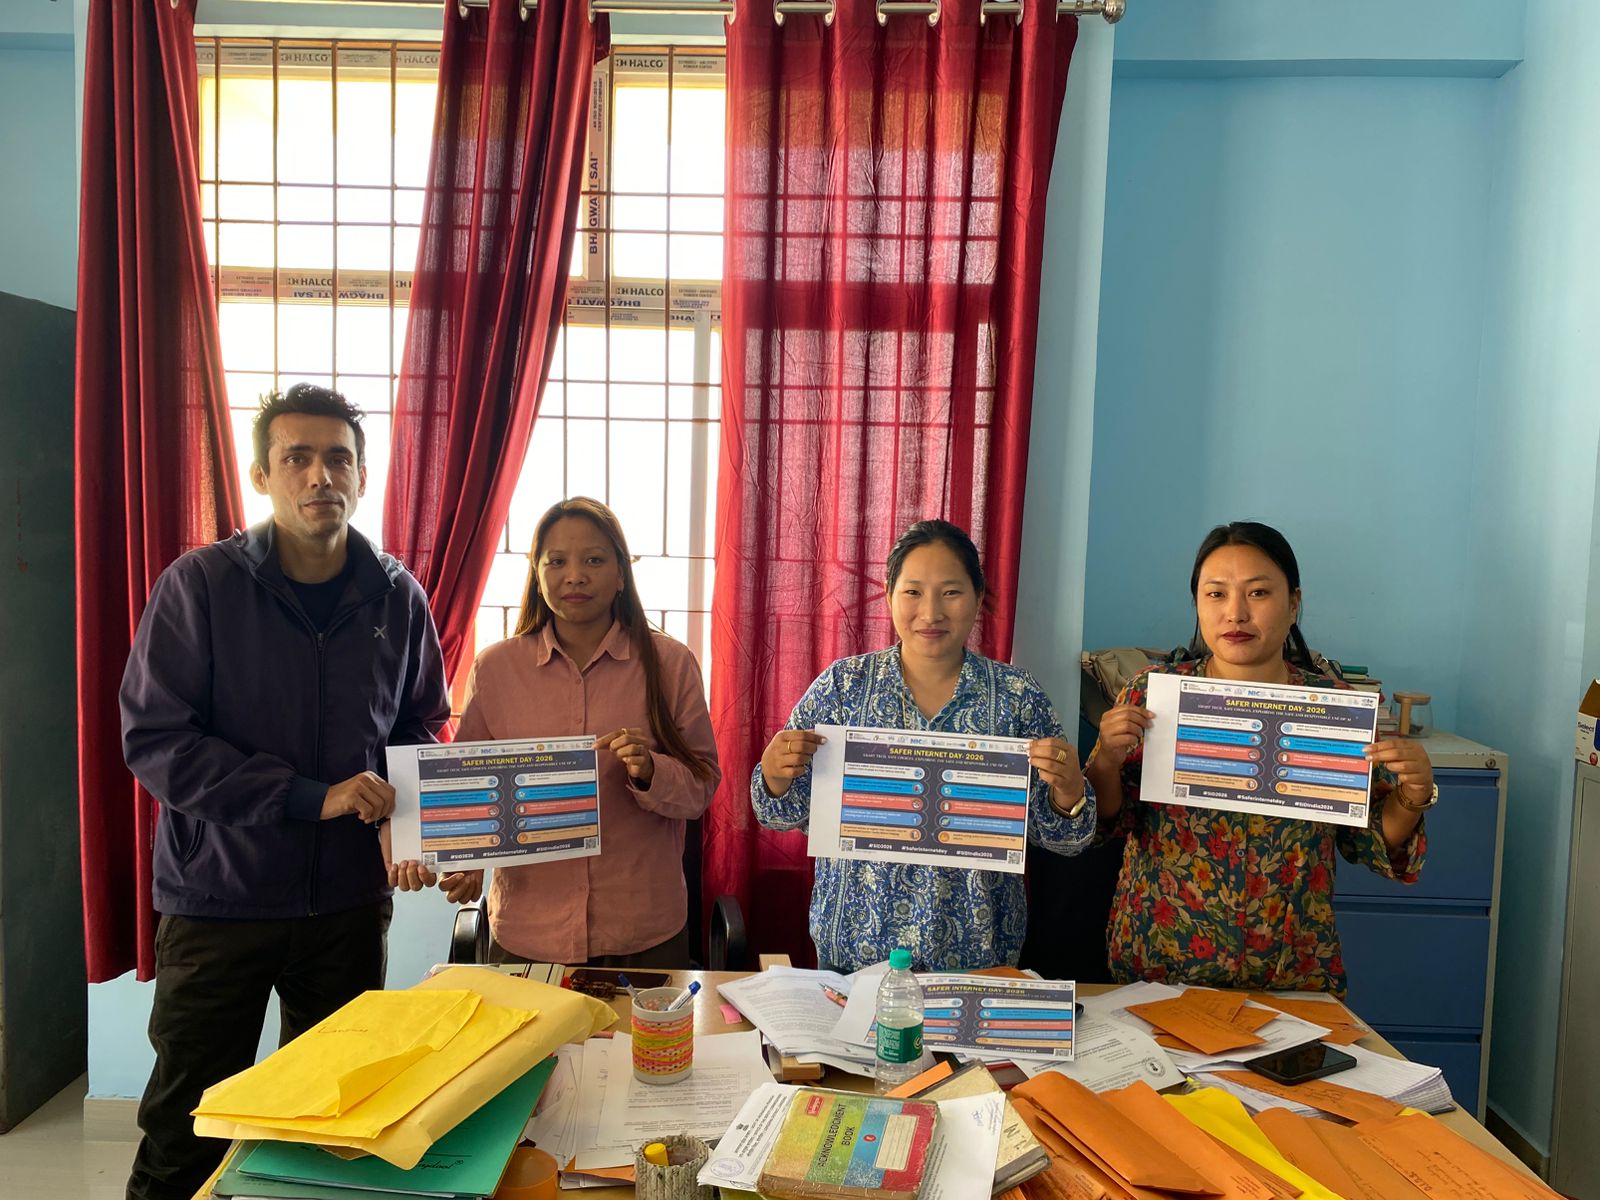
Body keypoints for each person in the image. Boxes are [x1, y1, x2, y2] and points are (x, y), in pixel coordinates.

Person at [119, 384, 450, 1200]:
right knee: (188, 1129)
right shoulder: (200, 586)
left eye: (337, 458)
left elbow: (417, 724)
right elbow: (156, 741)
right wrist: (310, 796)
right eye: (296, 458)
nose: (319, 476)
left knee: (330, 1126)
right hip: (217, 900)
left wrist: (406, 820)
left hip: (345, 906)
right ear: (262, 476)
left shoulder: (398, 595)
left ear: (362, 476)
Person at [1086, 521, 1433, 995]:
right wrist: (1106, 759)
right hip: (1162, 961)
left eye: (1258, 593)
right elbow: (1108, 821)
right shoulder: (1153, 693)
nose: (1236, 613)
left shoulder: (1334, 708)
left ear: (1293, 604)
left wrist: (1413, 794)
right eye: (1216, 594)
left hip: (1292, 967)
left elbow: (1368, 838)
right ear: (1197, 604)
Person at [751, 519, 1094, 973]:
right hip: (855, 956)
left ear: (978, 597)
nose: (930, 612)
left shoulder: (1018, 697)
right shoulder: (843, 687)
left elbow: (1067, 840)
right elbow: (780, 815)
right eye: (913, 592)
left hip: (978, 958)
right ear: (889, 594)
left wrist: (1069, 792)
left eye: (951, 592)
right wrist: (774, 775)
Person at [404, 497, 720, 968]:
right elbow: (467, 789)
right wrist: (466, 862)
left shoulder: (671, 664)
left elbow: (702, 789)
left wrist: (651, 771)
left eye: (594, 560)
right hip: (528, 933)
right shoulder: (495, 669)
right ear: (537, 574)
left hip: (643, 930)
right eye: (556, 562)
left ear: (621, 574)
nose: (575, 576)